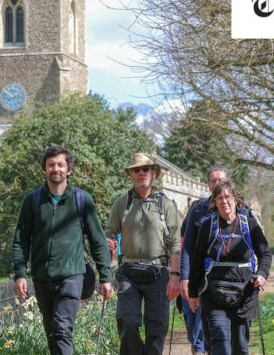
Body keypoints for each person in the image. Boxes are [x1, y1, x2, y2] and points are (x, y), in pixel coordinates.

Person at [12, 146, 113, 355]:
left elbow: (97, 240)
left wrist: (106, 277)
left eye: (60, 164)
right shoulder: (32, 201)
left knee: (61, 330)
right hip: (41, 277)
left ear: (69, 170)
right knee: (51, 332)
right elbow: (21, 240)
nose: (55, 169)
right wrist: (20, 274)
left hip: (72, 276)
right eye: (51, 165)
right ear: (44, 169)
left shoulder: (82, 200)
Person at [106, 152, 181, 355]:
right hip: (129, 271)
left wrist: (175, 276)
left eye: (145, 169)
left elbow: (175, 243)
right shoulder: (122, 203)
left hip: (158, 273)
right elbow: (109, 232)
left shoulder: (166, 205)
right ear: (131, 174)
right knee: (126, 320)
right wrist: (108, 243)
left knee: (157, 328)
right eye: (136, 170)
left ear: (153, 173)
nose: (141, 173)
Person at [188, 179, 271, 355]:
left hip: (244, 294)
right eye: (219, 198)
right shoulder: (207, 226)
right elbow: (196, 260)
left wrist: (262, 274)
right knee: (220, 341)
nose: (224, 201)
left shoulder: (249, 225)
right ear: (214, 201)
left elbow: (265, 254)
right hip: (214, 293)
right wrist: (193, 292)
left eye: (227, 197)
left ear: (235, 199)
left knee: (240, 347)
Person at [179, 167, 229, 355]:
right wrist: (184, 276)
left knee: (211, 326)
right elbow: (187, 245)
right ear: (208, 185)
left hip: (221, 279)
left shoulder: (236, 208)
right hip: (196, 275)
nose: (217, 184)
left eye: (221, 180)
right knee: (193, 323)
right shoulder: (197, 209)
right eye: (213, 181)